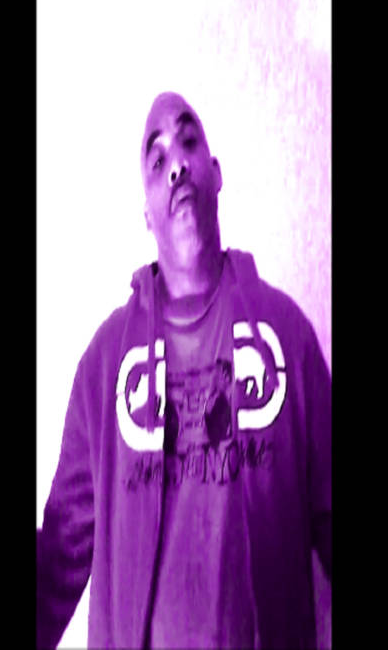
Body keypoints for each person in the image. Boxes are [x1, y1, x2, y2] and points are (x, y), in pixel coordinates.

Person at [36, 92, 332, 649]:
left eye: (188, 143)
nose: (175, 165)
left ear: (215, 174)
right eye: (156, 160)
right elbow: (59, 557)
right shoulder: (102, 366)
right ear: (145, 215)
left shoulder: (287, 335)